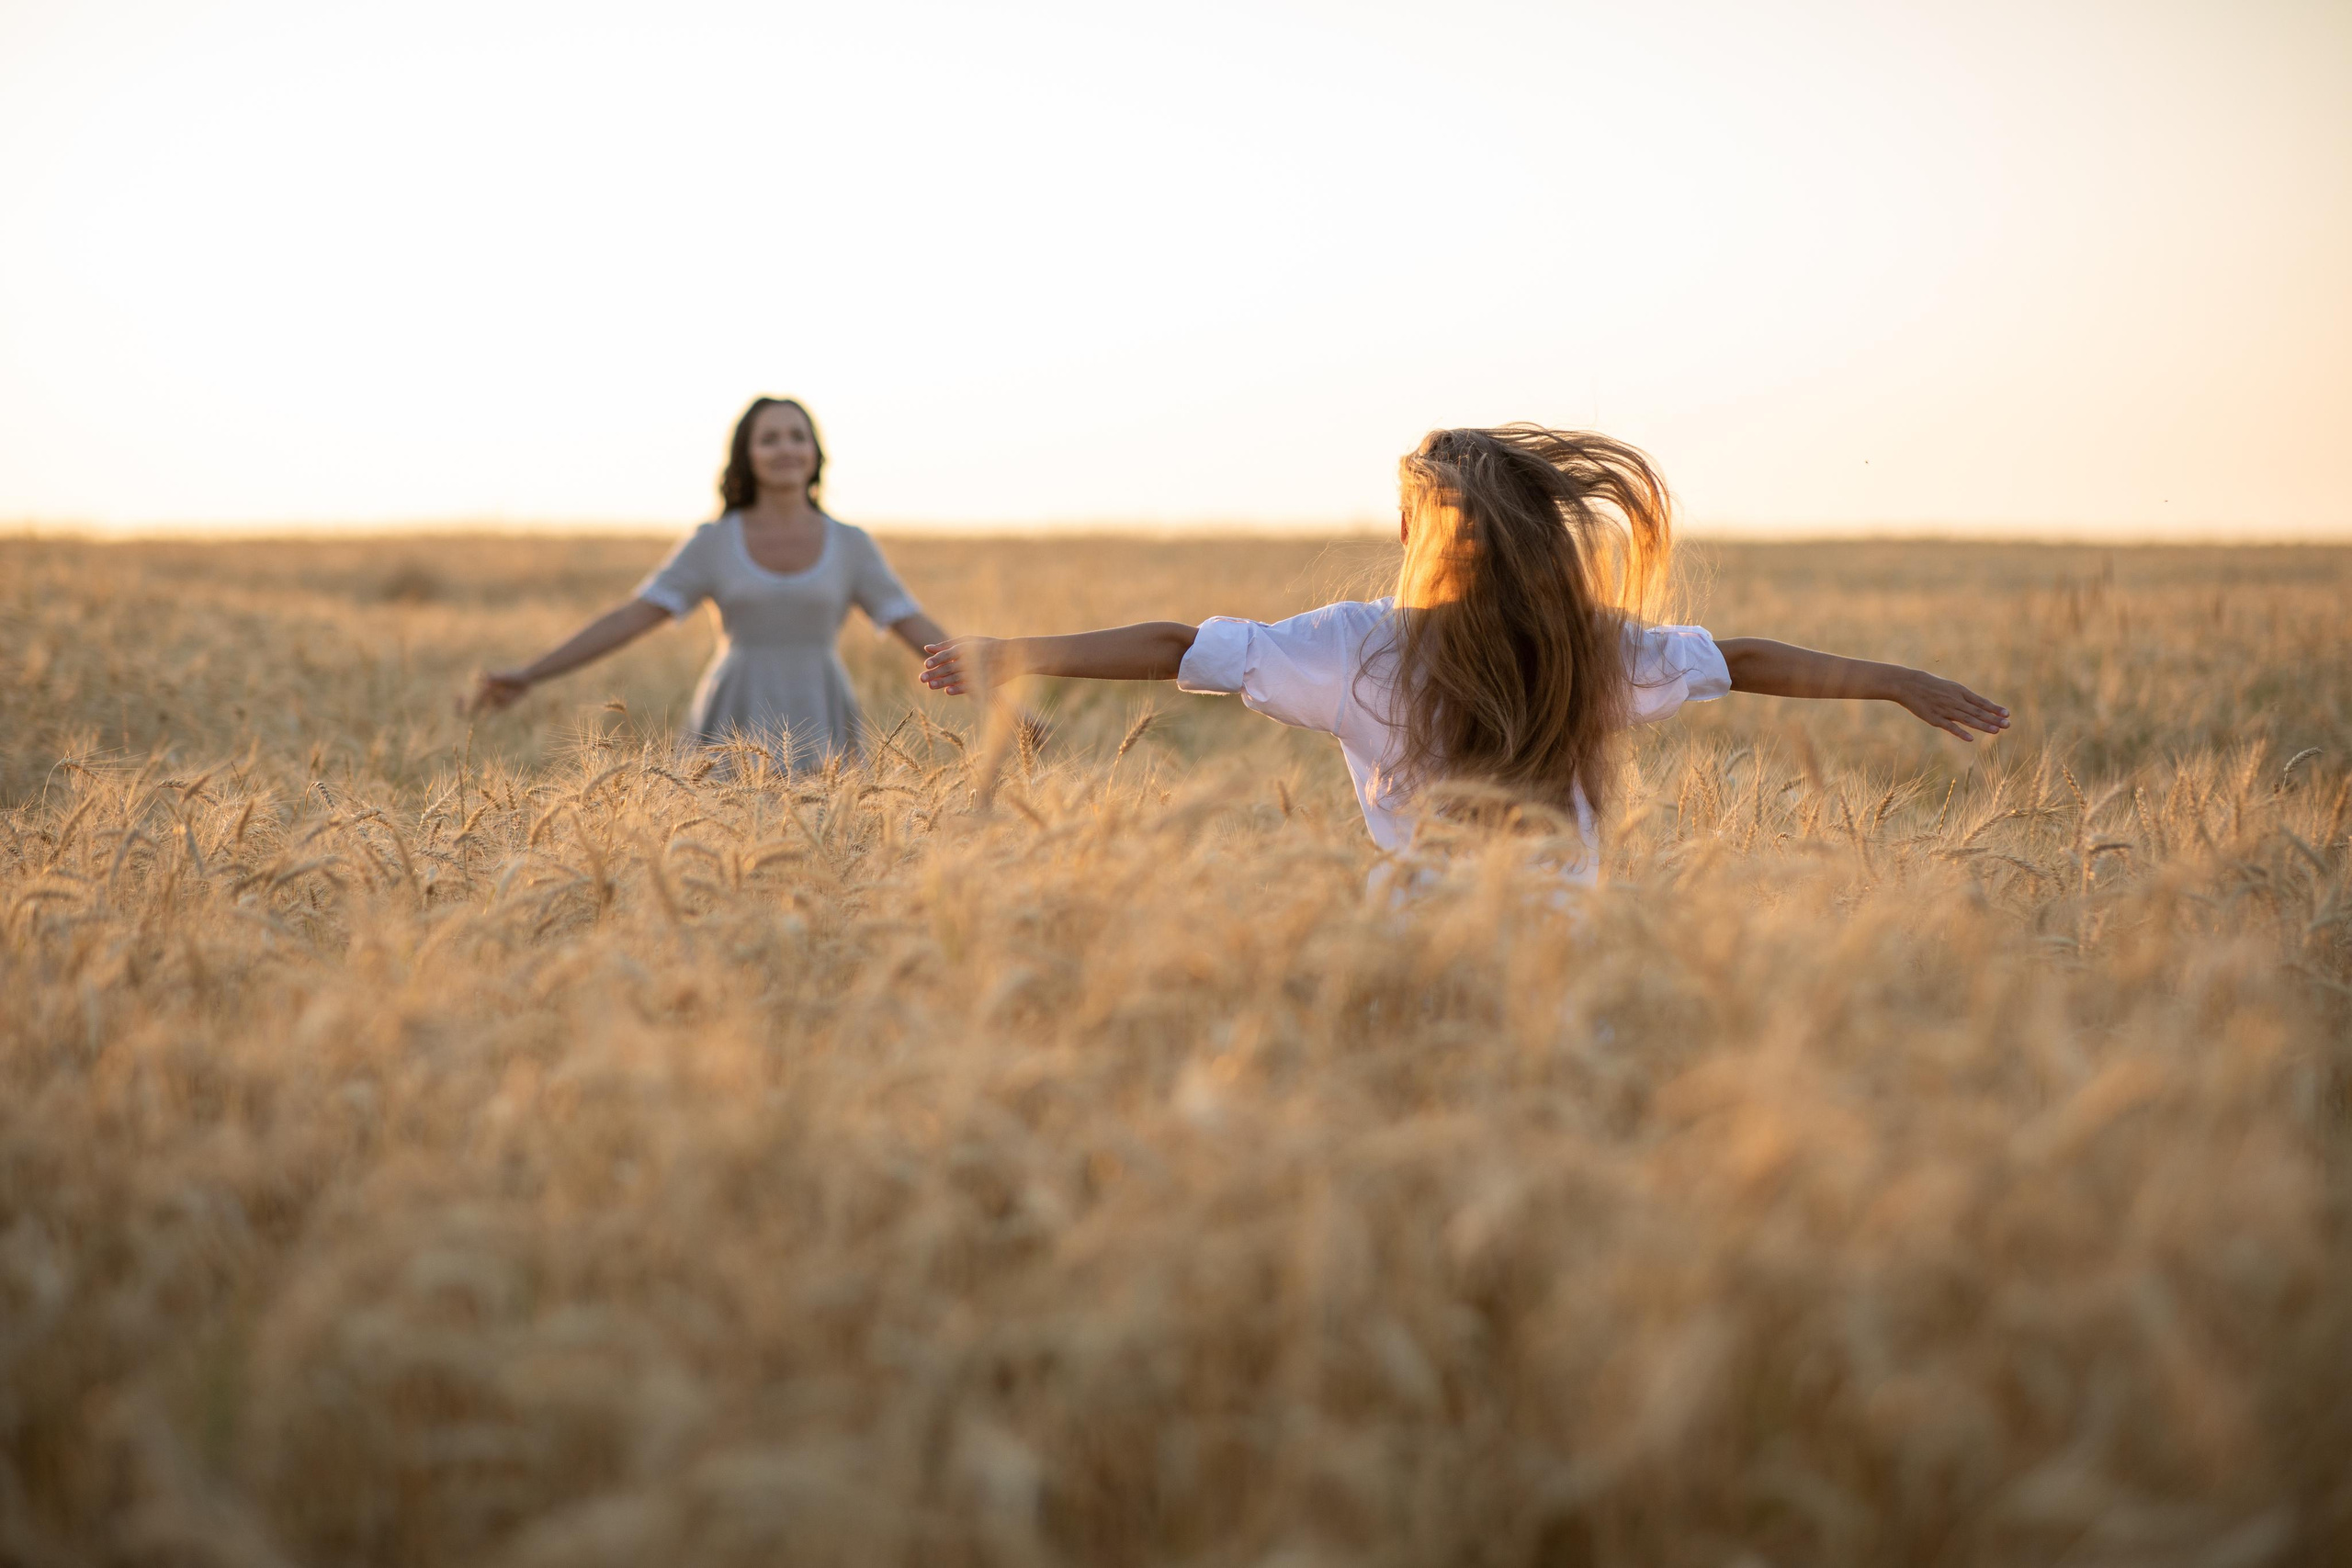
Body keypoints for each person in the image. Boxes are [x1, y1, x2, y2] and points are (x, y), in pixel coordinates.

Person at [917, 425, 2007, 884]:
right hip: (1562, 953)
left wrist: (1011, 651)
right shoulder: (1590, 650)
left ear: (1411, 534)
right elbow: (1744, 660)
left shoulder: (1353, 646)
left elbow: (1173, 647)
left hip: (1412, 949)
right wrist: (1894, 682)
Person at [469, 397, 949, 769]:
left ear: (816, 452)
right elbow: (630, 618)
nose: (786, 448)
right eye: (770, 439)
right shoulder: (714, 542)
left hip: (821, 708)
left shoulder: (851, 544)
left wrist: (1008, 704)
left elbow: (919, 631)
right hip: (733, 708)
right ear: (747, 456)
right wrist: (532, 673)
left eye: (797, 436)